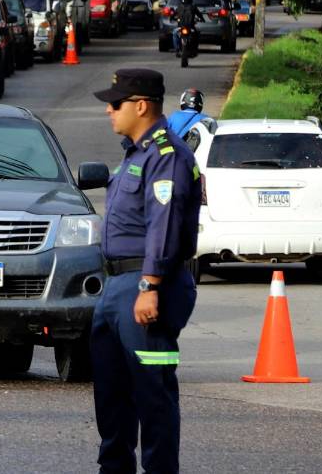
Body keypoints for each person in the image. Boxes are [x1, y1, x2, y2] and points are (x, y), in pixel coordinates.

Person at [90, 69, 200, 474]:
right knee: (112, 398)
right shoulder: (134, 154)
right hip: (117, 287)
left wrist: (150, 284)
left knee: (152, 397)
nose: (108, 109)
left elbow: (164, 224)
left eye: (116, 103)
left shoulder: (165, 156)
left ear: (141, 106)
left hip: (148, 285)